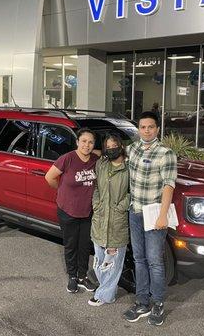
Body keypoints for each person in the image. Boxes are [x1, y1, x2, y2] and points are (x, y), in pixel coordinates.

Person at [122, 111, 177, 326]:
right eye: (143, 127)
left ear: (157, 129)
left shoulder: (166, 153)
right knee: (139, 259)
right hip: (135, 211)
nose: (146, 130)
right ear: (138, 129)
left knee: (155, 261)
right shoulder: (132, 149)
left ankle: (158, 304)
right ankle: (142, 302)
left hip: (154, 215)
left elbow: (168, 185)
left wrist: (163, 216)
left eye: (150, 127)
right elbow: (114, 154)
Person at [44, 128, 99, 293]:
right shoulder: (67, 159)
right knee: (70, 245)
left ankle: (82, 276)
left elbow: (106, 153)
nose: (87, 145)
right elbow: (49, 177)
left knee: (84, 246)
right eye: (83, 141)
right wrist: (62, 191)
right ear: (77, 142)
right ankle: (72, 277)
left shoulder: (95, 159)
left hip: (87, 211)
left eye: (90, 142)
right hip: (67, 210)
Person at [88, 133, 130, 306]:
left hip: (117, 222)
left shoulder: (129, 168)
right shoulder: (101, 164)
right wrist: (96, 204)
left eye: (115, 146)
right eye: (108, 146)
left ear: (121, 146)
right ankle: (105, 290)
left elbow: (132, 192)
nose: (111, 149)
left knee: (112, 264)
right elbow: (96, 187)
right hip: (99, 219)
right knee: (99, 261)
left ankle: (104, 295)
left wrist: (121, 206)